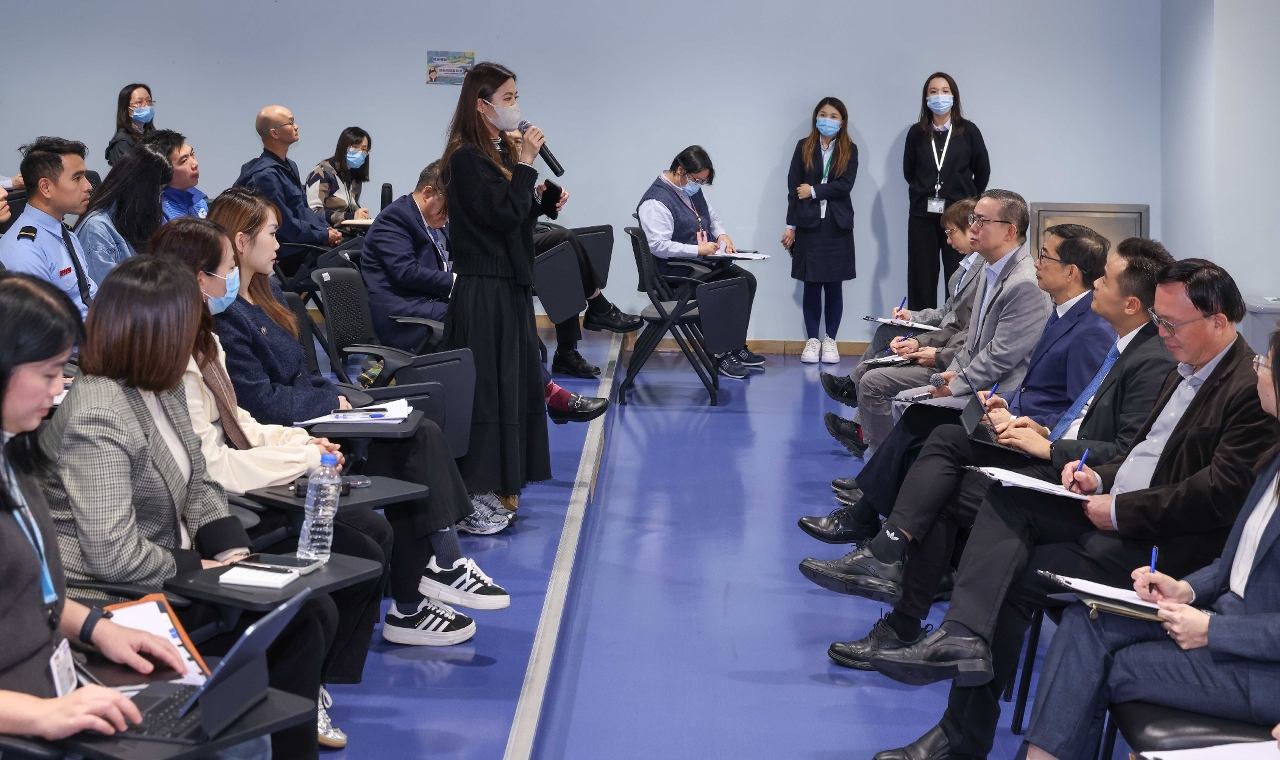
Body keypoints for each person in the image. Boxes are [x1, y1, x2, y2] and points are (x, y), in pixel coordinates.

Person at [867, 259, 1280, 760]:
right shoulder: (1185, 365)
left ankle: (961, 728)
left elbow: (1213, 494)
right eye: (1159, 320)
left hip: (1161, 543)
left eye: (1172, 323)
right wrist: (1099, 477)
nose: (1162, 332)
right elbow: (1142, 452)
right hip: (1118, 507)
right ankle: (960, 640)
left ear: (1217, 321)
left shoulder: (1247, 390)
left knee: (1014, 573)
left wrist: (1121, 508)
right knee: (1006, 499)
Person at [807, 239, 1178, 671]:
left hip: (1074, 479)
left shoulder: (1139, 353)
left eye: (1106, 280)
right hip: (1046, 441)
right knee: (938, 452)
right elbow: (1083, 414)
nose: (1096, 283)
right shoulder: (1121, 342)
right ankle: (896, 591)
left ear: (1131, 303)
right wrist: (1034, 425)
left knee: (942, 448)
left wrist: (1049, 444)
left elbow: (1122, 451)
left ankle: (889, 562)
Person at [39, 256, 340, 760]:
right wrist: (202, 570)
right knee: (300, 624)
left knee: (308, 609)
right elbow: (113, 555)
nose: (200, 333)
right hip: (109, 594)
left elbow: (199, 483)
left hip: (168, 566)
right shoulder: (98, 413)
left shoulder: (164, 386)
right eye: (188, 322)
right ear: (154, 331)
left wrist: (234, 555)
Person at [207, 188, 516, 616]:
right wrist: (331, 401)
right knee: (414, 442)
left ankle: (435, 574)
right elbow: (261, 403)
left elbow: (304, 374)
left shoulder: (268, 294)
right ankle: (424, 587)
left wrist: (336, 397)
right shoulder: (227, 317)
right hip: (294, 431)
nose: (279, 244)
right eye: (273, 233)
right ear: (242, 242)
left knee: (418, 432)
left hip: (316, 414)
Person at [0, 271, 270, 758]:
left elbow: (35, 596)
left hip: (53, 670)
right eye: (48, 373)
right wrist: (40, 715)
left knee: (241, 728)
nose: (59, 389)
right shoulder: (92, 413)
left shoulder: (15, 455)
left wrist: (98, 629)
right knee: (234, 743)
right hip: (26, 708)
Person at [1022, 329, 1280, 760]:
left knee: (1105, 666)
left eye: (1266, 364)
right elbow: (1238, 561)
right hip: (1222, 619)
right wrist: (1187, 589)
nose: (1258, 369)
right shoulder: (1273, 458)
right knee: (1086, 618)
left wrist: (1213, 630)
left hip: (1262, 668)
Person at [436, 60, 556, 508]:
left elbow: (512, 214)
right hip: (484, 288)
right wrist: (525, 164)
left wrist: (541, 201)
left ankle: (508, 478)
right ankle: (482, 483)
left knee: (513, 383)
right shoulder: (465, 157)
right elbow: (499, 215)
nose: (515, 106)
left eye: (515, 97)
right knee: (490, 388)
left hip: (510, 283)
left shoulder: (497, 151)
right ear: (481, 105)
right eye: (507, 98)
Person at [822, 198, 981, 458]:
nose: (947, 240)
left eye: (951, 232)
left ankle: (861, 420)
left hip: (951, 354)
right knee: (886, 335)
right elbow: (948, 315)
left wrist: (932, 350)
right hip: (947, 342)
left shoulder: (984, 274)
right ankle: (856, 399)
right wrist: (912, 317)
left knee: (872, 372)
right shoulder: (961, 272)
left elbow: (962, 329)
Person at [499, 131, 641, 378]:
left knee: (565, 259)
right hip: (499, 252)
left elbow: (522, 216)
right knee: (563, 238)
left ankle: (567, 351)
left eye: (521, 140)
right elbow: (504, 217)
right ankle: (598, 306)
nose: (520, 145)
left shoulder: (517, 170)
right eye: (514, 141)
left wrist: (540, 198)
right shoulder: (494, 169)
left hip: (520, 242)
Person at [637, 145, 766, 379]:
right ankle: (720, 353)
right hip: (675, 274)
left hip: (699, 267)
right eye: (697, 180)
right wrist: (698, 249)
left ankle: (734, 345)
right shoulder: (655, 202)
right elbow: (659, 246)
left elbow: (711, 217)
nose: (699, 185)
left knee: (746, 281)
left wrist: (722, 235)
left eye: (702, 181)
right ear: (681, 171)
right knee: (723, 288)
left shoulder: (690, 189)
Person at [904, 72, 991, 310]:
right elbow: (909, 171)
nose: (939, 96)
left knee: (959, 274)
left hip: (960, 217)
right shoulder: (916, 133)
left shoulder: (968, 131)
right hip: (922, 215)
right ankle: (920, 328)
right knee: (921, 276)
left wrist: (968, 201)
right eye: (933, 92)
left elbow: (982, 170)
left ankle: (956, 328)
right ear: (926, 98)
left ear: (954, 96)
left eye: (944, 91)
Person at [783, 97, 858, 364]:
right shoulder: (803, 146)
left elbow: (844, 186)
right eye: (823, 115)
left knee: (834, 285)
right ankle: (812, 341)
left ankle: (830, 341)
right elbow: (794, 187)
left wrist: (813, 190)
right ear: (816, 117)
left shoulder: (850, 149)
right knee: (811, 284)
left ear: (842, 121)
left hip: (837, 225)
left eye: (834, 116)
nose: (828, 120)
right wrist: (791, 226)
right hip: (808, 225)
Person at [234, 105, 342, 277]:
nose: (296, 126)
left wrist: (326, 229)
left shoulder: (289, 166)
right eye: (290, 123)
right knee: (355, 258)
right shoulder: (265, 176)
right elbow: (283, 225)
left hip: (305, 243)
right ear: (274, 133)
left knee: (356, 246)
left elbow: (303, 210)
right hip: (291, 251)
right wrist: (323, 235)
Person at [0, 137, 96, 318]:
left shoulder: (63, 231)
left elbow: (87, 295)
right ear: (45, 187)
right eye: (77, 178)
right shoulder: (24, 249)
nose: (88, 186)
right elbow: (41, 327)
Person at [74, 142, 172, 284]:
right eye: (159, 190)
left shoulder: (134, 220)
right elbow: (108, 292)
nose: (159, 198)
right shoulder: (96, 230)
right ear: (142, 188)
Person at [306, 126, 371, 226]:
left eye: (364, 149)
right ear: (343, 147)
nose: (360, 152)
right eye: (355, 147)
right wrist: (350, 217)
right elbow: (313, 212)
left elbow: (351, 209)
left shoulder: (355, 177)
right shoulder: (321, 172)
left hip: (351, 232)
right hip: (329, 232)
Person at [141, 129, 208, 221]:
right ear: (165, 169)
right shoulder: (160, 212)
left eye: (192, 154)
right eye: (184, 161)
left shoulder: (199, 201)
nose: (195, 163)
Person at [105, 83, 157, 167]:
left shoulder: (153, 137)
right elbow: (127, 173)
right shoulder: (122, 142)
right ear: (126, 108)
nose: (146, 106)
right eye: (139, 102)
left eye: (149, 101)